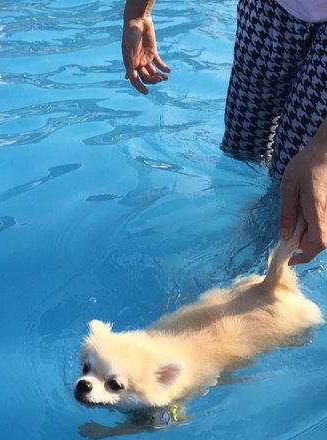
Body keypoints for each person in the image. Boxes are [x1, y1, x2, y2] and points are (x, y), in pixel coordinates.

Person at [121, 0, 327, 265]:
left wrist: (322, 150)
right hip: (272, 6)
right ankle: (234, 237)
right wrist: (138, 14)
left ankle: (261, 269)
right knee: (241, 148)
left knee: (296, 179)